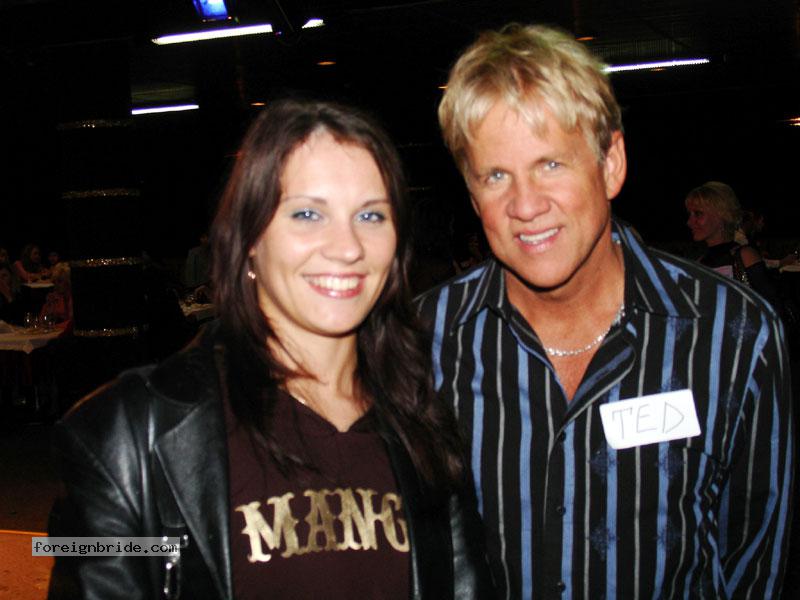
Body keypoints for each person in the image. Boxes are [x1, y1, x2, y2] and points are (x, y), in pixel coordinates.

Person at [47, 99, 491, 599]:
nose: (348, 247)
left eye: (370, 215)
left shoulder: (423, 421)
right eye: (307, 214)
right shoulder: (124, 436)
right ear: (250, 239)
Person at [417, 23, 793, 599]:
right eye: (496, 176)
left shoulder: (736, 335)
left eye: (551, 164)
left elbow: (753, 567)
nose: (525, 205)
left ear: (611, 162)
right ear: (472, 195)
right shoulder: (423, 341)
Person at [39, 262, 73, 326]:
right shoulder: (53, 297)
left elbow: (72, 323)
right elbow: (41, 321)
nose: (56, 285)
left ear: (68, 281)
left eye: (60, 281)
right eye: (54, 282)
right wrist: (49, 310)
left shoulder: (72, 298)